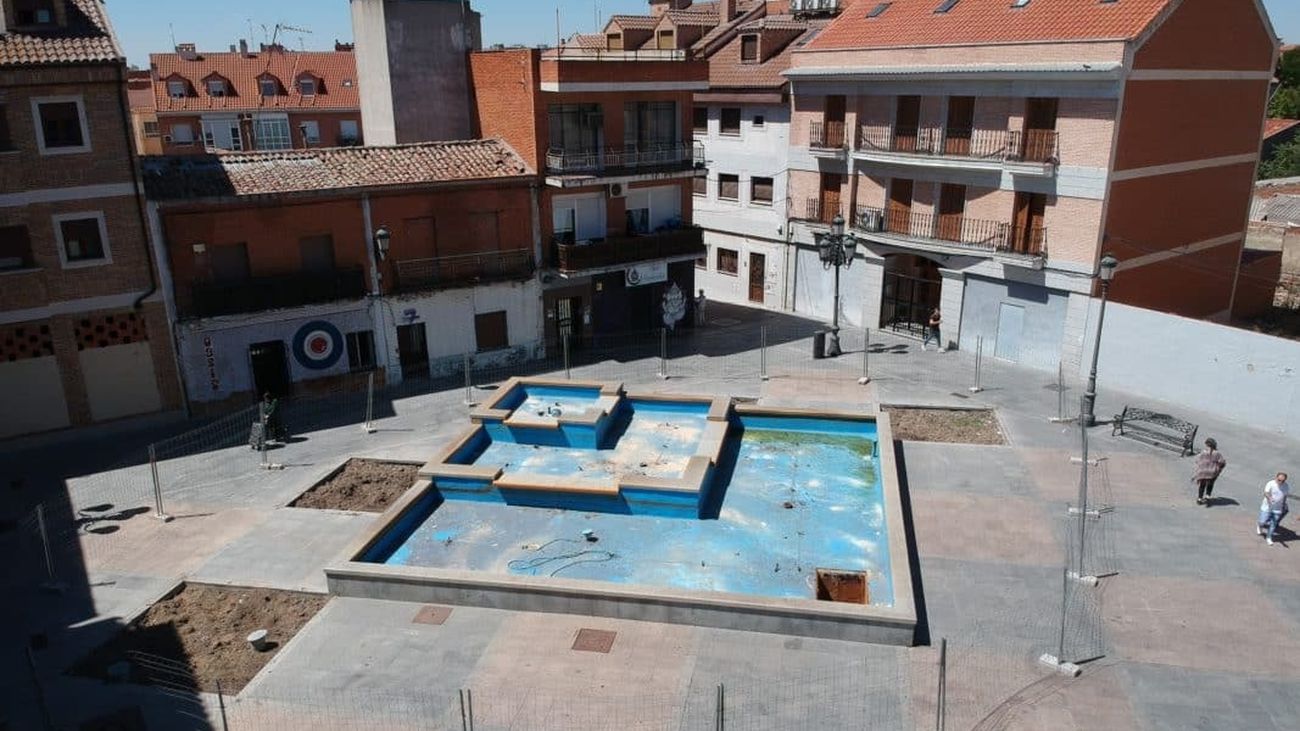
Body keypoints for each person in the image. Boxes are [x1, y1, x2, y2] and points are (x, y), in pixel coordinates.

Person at [1190, 438, 1226, 505]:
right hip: (1212, 471)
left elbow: (1197, 461)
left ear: (1207, 444)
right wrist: (1219, 469)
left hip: (1203, 471)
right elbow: (1222, 462)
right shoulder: (1217, 453)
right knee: (1210, 484)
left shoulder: (1203, 452)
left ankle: (1199, 499)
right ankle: (1207, 496)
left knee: (1202, 485)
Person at [1257, 472, 1290, 546]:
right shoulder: (1270, 483)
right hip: (1267, 507)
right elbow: (1266, 493)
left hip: (1278, 509)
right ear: (1276, 478)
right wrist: (1270, 499)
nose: (1281, 482)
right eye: (1279, 480)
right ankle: (1259, 526)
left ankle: (1269, 537)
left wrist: (1283, 505)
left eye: (1283, 481)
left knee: (1273, 524)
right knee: (1262, 521)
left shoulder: (1286, 486)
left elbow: (1284, 496)